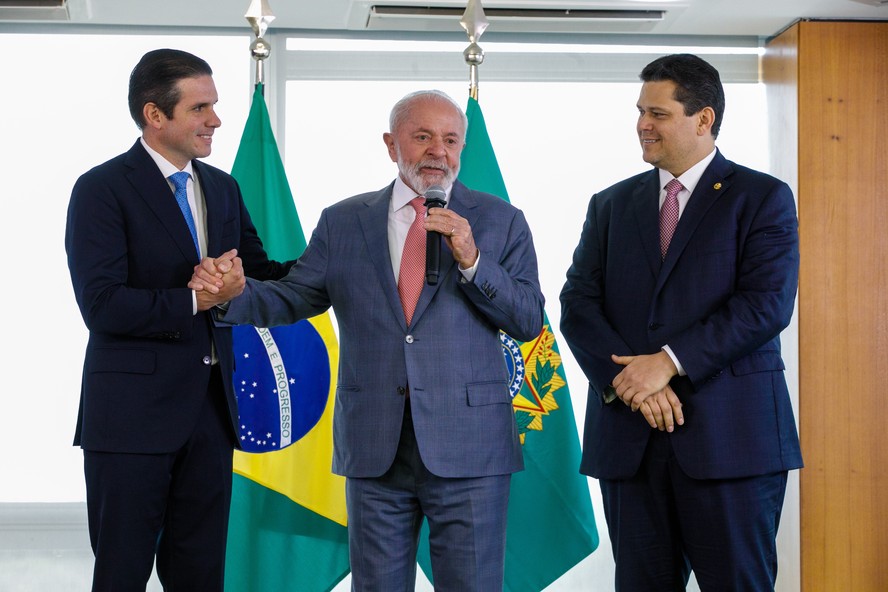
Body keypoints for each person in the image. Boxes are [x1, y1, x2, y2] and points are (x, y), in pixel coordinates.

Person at [190, 89, 544, 591]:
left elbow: (528, 319)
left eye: (450, 140)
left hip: (470, 446)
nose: (438, 152)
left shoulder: (500, 220)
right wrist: (232, 296)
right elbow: (295, 296)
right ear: (391, 144)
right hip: (374, 444)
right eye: (422, 137)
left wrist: (473, 260)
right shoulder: (343, 220)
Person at [560, 53, 802, 590]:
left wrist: (668, 363)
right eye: (640, 112)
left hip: (732, 443)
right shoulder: (610, 205)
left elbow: (766, 305)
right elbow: (577, 304)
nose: (642, 125)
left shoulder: (761, 198)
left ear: (703, 119)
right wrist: (631, 382)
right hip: (631, 444)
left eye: (658, 113)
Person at [65, 48, 292, 591]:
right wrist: (197, 299)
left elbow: (260, 273)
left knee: (200, 577)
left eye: (214, 105)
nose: (216, 120)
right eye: (200, 108)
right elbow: (102, 305)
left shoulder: (222, 187)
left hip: (210, 416)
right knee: (121, 575)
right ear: (154, 114)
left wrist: (341, 260)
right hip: (129, 420)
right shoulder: (101, 189)